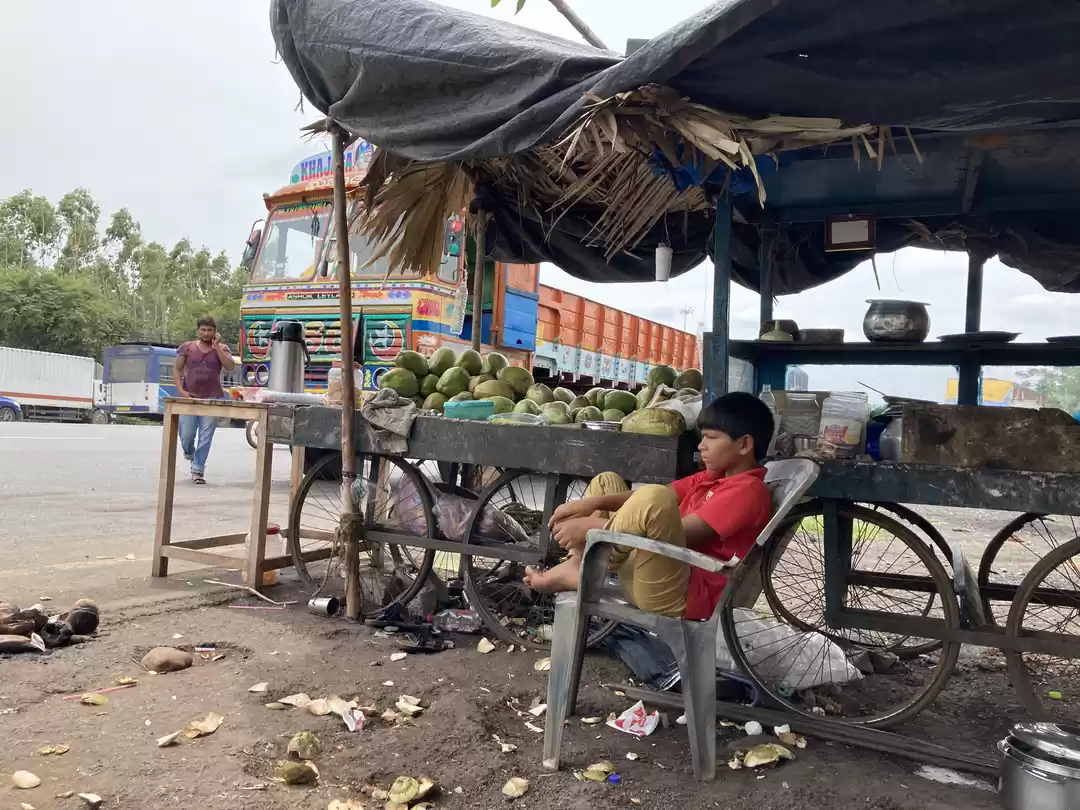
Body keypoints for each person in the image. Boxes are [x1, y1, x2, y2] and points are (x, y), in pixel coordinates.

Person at [523, 392, 774, 620]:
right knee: (607, 481)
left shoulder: (747, 491)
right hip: (654, 564)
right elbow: (654, 499)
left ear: (744, 444)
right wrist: (589, 504)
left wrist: (593, 529)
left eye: (711, 437)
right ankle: (581, 562)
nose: (701, 445)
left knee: (653, 497)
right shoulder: (712, 477)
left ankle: (588, 562)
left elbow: (678, 533)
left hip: (678, 591)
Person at [173, 316, 236, 484]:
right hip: (190, 399)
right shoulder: (187, 348)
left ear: (215, 332)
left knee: (205, 437)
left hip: (212, 398)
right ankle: (190, 454)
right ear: (198, 331)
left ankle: (198, 470)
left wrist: (217, 347)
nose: (206, 333)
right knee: (186, 436)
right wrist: (181, 391)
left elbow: (230, 366)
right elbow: (177, 369)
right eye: (203, 330)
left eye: (210, 330)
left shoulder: (222, 348)